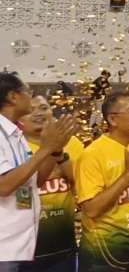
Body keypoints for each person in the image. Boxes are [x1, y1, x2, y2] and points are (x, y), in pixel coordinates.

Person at [77, 91, 129, 272]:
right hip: (103, 256)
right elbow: (91, 210)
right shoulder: (93, 154)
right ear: (113, 119)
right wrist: (128, 174)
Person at [0, 73, 76, 272]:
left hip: (20, 245)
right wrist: (46, 148)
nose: (31, 97)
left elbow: (36, 181)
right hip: (4, 248)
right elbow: (4, 186)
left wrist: (54, 150)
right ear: (13, 97)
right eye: (28, 92)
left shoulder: (15, 134)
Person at [21, 95, 85, 272]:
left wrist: (60, 154)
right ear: (19, 117)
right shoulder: (14, 146)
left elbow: (81, 182)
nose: (38, 114)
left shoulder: (72, 143)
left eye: (44, 108)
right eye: (31, 110)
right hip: (23, 247)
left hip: (63, 244)